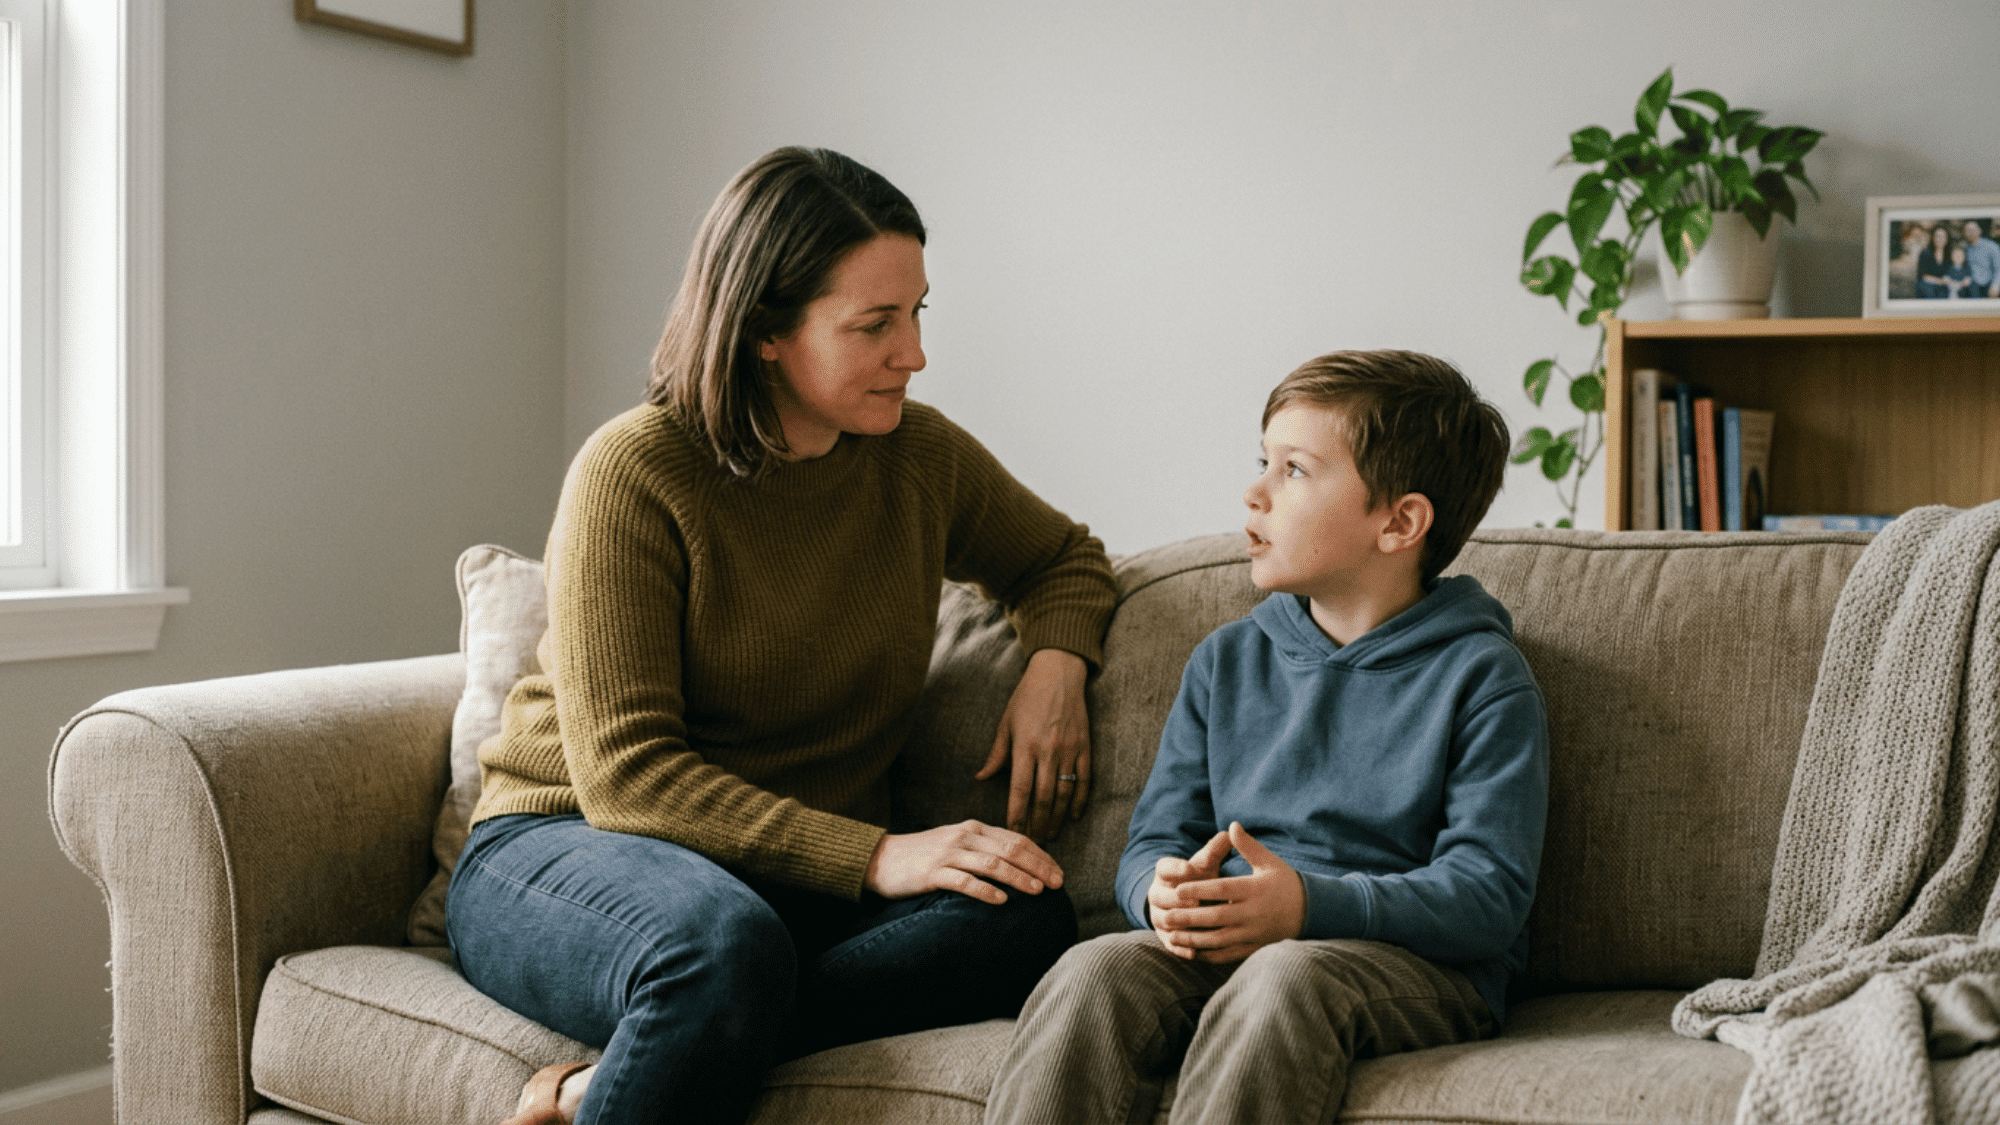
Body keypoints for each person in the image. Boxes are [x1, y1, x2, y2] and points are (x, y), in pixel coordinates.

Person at [446, 147, 1118, 1125]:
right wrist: (877, 856)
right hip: (567, 849)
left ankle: (609, 1084)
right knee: (719, 947)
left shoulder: (916, 458)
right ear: (765, 330)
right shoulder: (633, 472)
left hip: (771, 890)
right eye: (873, 326)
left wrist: (1056, 667)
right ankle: (694, 1019)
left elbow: (1063, 560)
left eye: (917, 313)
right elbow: (629, 777)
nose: (915, 354)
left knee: (1020, 912)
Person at [985, 350, 1549, 1125]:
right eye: (1263, 460)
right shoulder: (1227, 660)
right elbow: (1154, 839)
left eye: (1294, 470)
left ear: (1400, 522)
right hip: (1235, 943)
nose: (1253, 491)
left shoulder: (1483, 676)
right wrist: (1160, 894)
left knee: (1283, 979)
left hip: (1413, 965)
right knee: (1092, 970)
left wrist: (1308, 907)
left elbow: (1489, 895)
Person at [1962, 219, 2000, 299]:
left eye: (1973, 230)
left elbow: (1998, 268)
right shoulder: (1964, 248)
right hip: (1971, 287)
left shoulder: (1991, 246)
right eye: (1968, 230)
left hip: (1989, 284)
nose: (1971, 233)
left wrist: (1996, 285)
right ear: (1964, 233)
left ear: (1979, 230)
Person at [1916, 223, 1954, 298]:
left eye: (1943, 236)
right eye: (1937, 236)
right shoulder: (1925, 253)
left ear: (1947, 239)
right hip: (1928, 285)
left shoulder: (1949, 254)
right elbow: (1923, 276)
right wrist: (1940, 281)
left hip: (1943, 286)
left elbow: (1951, 273)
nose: (1940, 239)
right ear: (1933, 238)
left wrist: (1947, 279)